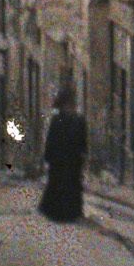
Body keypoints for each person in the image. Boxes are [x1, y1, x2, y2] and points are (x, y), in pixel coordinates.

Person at [37, 81, 87, 223]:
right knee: (69, 185)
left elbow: (51, 140)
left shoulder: (63, 119)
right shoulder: (75, 119)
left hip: (63, 160)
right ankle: (68, 212)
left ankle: (63, 212)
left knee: (62, 184)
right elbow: (82, 143)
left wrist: (48, 157)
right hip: (69, 160)